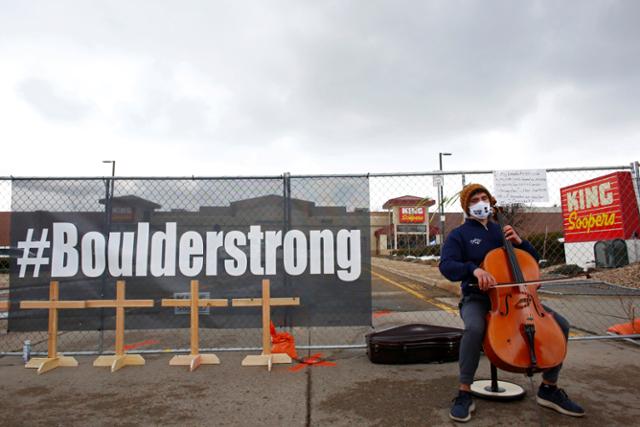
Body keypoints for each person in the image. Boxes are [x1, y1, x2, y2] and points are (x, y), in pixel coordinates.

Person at [439, 183, 585, 423]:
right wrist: (474, 270)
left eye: (483, 197)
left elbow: (532, 263)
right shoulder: (459, 235)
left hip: (518, 298)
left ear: (490, 202)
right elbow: (447, 266)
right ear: (467, 206)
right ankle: (464, 391)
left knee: (561, 324)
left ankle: (549, 388)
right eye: (474, 199)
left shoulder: (502, 232)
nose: (480, 203)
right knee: (474, 329)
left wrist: (521, 243)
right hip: (477, 297)